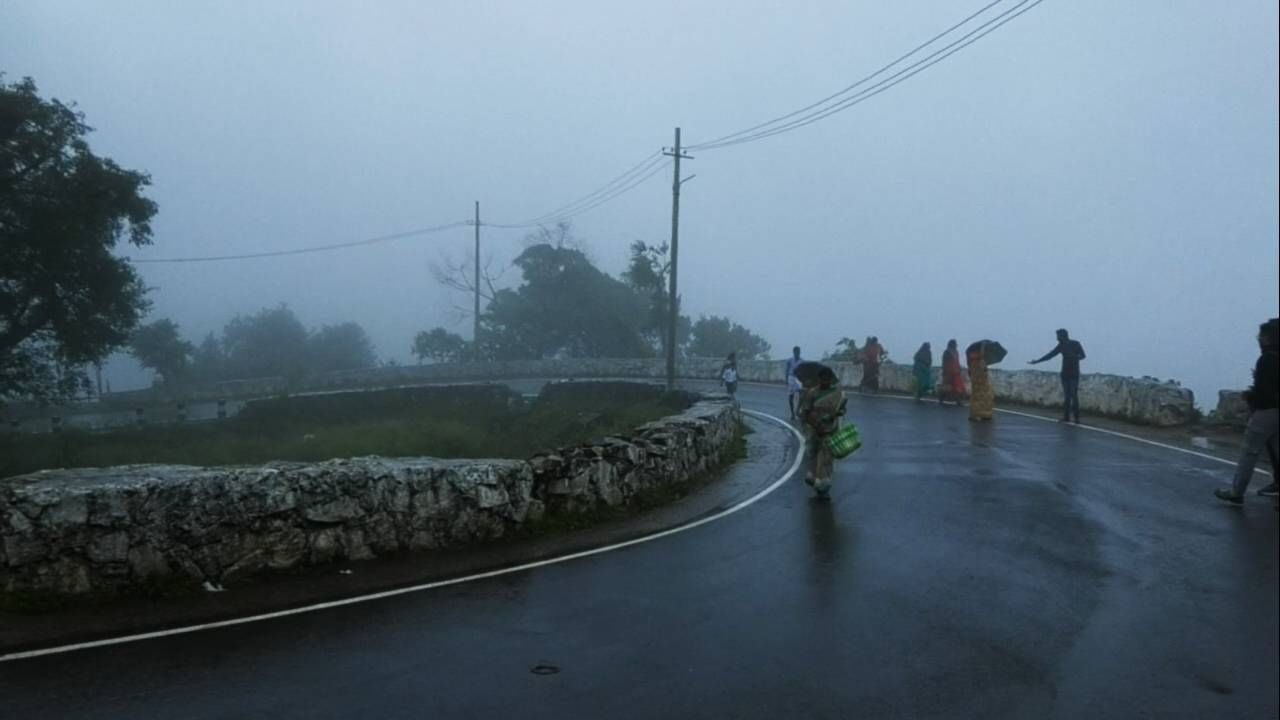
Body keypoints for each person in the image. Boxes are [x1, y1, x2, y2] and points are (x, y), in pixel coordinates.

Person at [1214, 318, 1279, 506]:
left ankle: (1236, 491)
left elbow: (1265, 392)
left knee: (1249, 452)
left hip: (1266, 413)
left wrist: (1251, 397)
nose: (1258, 339)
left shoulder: (1267, 359)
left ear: (1268, 338)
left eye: (1261, 336)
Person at [800, 366, 846, 496]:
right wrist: (816, 425)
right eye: (823, 379)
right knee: (814, 456)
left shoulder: (836, 393)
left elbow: (842, 409)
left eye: (828, 379)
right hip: (815, 430)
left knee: (826, 458)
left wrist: (839, 411)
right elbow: (806, 413)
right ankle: (815, 480)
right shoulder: (812, 393)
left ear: (831, 379)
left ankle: (823, 486)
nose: (825, 382)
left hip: (830, 430)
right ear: (819, 379)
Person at [1028, 328, 1087, 423]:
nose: (1057, 338)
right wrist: (1037, 361)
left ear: (1063, 336)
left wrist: (1074, 357)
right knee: (1067, 396)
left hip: (1074, 374)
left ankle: (1076, 418)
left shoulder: (1075, 343)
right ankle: (1067, 417)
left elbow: (1083, 356)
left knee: (1073, 395)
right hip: (1065, 373)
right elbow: (1050, 355)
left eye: (1058, 336)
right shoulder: (1061, 345)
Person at [967, 341, 995, 422]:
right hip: (982, 382)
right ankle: (985, 415)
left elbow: (972, 371)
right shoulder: (981, 360)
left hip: (977, 382)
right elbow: (984, 371)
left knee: (977, 398)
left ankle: (977, 414)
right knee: (985, 398)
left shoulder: (972, 359)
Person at [939, 339, 967, 406]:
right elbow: (945, 363)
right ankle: (941, 398)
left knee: (958, 386)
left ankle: (958, 401)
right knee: (947, 388)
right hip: (948, 372)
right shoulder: (946, 352)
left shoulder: (956, 352)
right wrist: (947, 371)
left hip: (956, 372)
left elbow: (957, 361)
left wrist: (959, 368)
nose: (955, 346)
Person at [785, 346, 804, 419]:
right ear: (793, 352)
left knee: (801, 395)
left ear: (799, 352)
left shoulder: (802, 361)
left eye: (798, 352)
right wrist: (786, 380)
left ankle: (798, 410)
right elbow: (787, 370)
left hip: (798, 378)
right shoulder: (790, 360)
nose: (797, 353)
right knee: (790, 396)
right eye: (796, 352)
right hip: (791, 377)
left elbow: (803, 371)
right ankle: (792, 413)